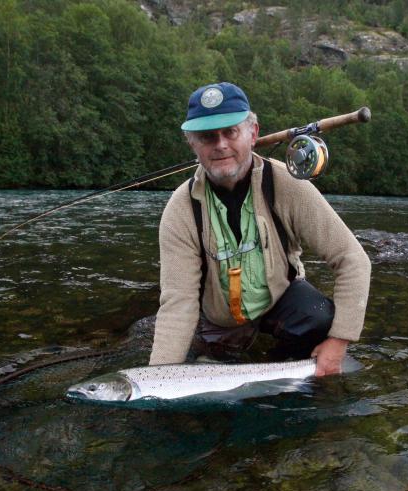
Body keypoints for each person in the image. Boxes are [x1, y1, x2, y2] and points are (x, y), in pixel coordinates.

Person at [149, 82, 371, 376]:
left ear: (252, 134)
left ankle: (283, 365)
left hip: (280, 302)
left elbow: (352, 258)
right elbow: (178, 303)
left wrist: (339, 341)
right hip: (221, 321)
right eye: (207, 136)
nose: (220, 144)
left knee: (320, 318)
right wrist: (157, 379)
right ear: (192, 143)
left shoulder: (287, 184)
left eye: (230, 131)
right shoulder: (180, 210)